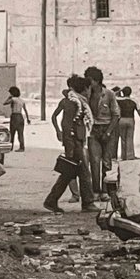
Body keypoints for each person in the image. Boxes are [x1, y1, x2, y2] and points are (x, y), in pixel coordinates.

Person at [44, 76, 97, 213]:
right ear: (84, 89)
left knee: (69, 173)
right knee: (83, 172)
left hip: (76, 141)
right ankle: (88, 203)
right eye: (88, 89)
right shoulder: (74, 102)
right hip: (74, 142)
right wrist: (69, 146)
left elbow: (57, 118)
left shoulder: (75, 101)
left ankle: (52, 200)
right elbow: (66, 124)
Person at [85, 66, 120, 201]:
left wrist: (109, 132)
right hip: (93, 130)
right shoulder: (86, 95)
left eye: (91, 80)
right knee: (94, 161)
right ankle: (96, 191)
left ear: (97, 81)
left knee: (106, 162)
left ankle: (105, 191)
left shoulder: (109, 94)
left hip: (107, 129)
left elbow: (116, 115)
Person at [51, 87, 81, 203]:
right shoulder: (66, 102)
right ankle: (75, 193)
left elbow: (54, 116)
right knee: (71, 163)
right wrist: (58, 131)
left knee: (73, 164)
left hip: (74, 135)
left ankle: (76, 193)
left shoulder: (78, 103)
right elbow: (54, 116)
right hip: (69, 136)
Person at [116, 86, 140, 161]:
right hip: (130, 120)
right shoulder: (134, 101)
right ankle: (129, 156)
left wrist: (119, 90)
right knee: (129, 138)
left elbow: (113, 95)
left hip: (122, 120)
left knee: (123, 139)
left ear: (123, 92)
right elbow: (139, 112)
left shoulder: (119, 100)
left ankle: (123, 156)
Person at [3, 86, 31, 152]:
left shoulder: (13, 99)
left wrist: (9, 97)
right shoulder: (22, 100)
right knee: (20, 133)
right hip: (20, 116)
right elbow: (25, 110)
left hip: (14, 116)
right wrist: (28, 119)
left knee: (12, 133)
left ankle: (11, 147)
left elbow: (5, 103)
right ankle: (22, 147)